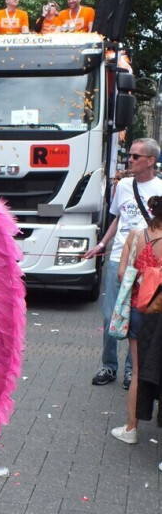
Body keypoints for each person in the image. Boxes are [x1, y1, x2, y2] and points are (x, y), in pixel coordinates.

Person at [85, 139, 162, 388]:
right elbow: (118, 218)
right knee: (111, 316)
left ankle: (132, 370)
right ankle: (109, 366)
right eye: (130, 155)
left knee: (138, 317)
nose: (130, 159)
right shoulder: (123, 186)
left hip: (147, 263)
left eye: (136, 156)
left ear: (150, 161)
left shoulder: (160, 188)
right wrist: (102, 244)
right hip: (118, 256)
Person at [111, 195, 162, 444]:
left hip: (139, 310)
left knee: (138, 368)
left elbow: (122, 274)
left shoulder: (136, 235)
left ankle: (131, 428)